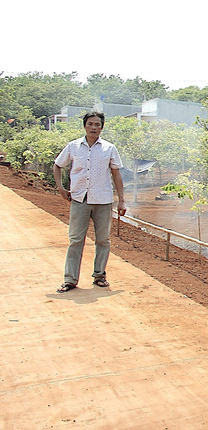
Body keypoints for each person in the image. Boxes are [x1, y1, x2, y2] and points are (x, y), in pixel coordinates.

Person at [52, 111, 126, 293]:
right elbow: (57, 165)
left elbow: (116, 174)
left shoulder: (109, 149)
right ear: (85, 125)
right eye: (90, 124)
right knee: (76, 239)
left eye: (97, 125)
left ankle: (99, 275)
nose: (94, 127)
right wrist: (61, 188)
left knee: (103, 240)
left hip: (103, 200)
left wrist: (121, 200)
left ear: (102, 127)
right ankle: (70, 279)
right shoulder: (73, 146)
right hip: (79, 199)